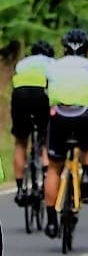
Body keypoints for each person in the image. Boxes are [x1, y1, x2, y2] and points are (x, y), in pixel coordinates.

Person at [42, 30, 88, 239]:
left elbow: (47, 96)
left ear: (64, 48)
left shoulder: (52, 67)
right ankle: (86, 175)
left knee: (53, 168)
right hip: (85, 116)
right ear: (87, 49)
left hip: (59, 115)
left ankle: (52, 221)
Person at [11, 40, 54, 207]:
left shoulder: (22, 63)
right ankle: (44, 181)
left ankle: (20, 189)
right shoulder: (53, 63)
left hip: (20, 95)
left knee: (20, 142)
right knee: (45, 138)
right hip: (41, 94)